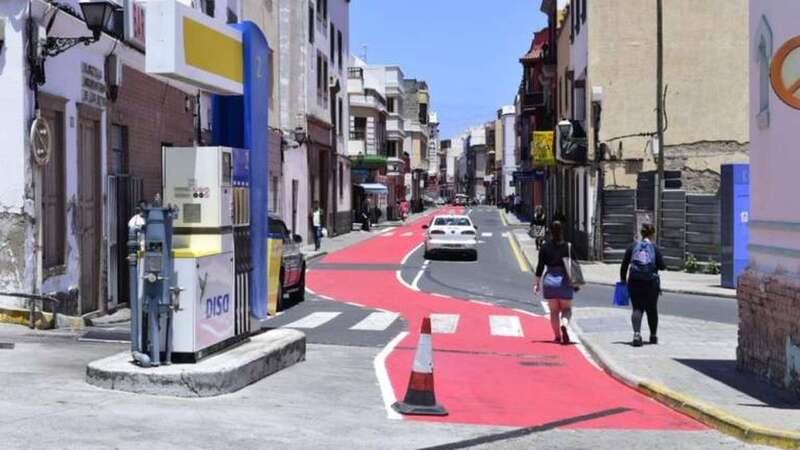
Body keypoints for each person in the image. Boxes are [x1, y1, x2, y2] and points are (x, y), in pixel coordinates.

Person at [620, 223, 666, 347]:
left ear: (641, 233)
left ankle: (636, 334)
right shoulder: (654, 248)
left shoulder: (632, 246)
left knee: (637, 308)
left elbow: (624, 266)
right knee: (652, 309)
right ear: (652, 234)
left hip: (634, 282)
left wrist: (623, 281)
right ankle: (653, 336)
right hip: (651, 283)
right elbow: (662, 266)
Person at [533, 221, 576, 345]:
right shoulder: (568, 246)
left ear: (549, 231)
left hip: (549, 282)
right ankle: (565, 324)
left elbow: (540, 266)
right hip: (564, 282)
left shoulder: (545, 247)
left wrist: (536, 283)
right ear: (562, 231)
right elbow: (574, 265)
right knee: (567, 309)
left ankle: (557, 337)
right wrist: (576, 282)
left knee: (554, 312)